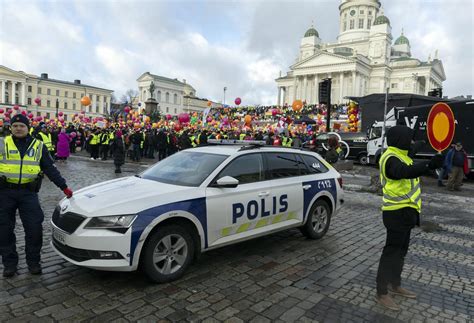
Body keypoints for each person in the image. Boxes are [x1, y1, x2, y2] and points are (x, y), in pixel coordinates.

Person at [376, 126, 443, 311]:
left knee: (401, 252)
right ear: (400, 140)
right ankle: (382, 292)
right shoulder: (390, 158)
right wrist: (429, 165)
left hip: (407, 213)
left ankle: (395, 284)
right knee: (391, 253)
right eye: (408, 139)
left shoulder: (402, 153)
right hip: (395, 213)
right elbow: (404, 171)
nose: (411, 142)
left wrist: (431, 140)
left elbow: (414, 148)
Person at [0, 114, 73, 277]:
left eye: (22, 125)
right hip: (5, 193)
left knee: (34, 229)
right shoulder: (2, 143)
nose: (18, 128)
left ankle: (33, 262)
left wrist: (64, 186)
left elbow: (50, 168)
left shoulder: (38, 146)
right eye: (15, 125)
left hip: (28, 194)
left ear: (28, 128)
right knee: (4, 230)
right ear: (10, 128)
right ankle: (9, 264)